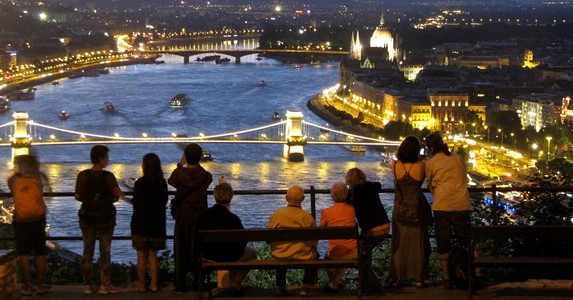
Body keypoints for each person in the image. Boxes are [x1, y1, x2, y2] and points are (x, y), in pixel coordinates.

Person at [424, 132, 471, 289]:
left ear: (430, 148)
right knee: (467, 241)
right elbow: (463, 177)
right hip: (462, 204)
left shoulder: (430, 163)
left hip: (442, 206)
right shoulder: (458, 158)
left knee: (443, 244)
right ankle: (476, 274)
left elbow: (430, 185)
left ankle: (447, 279)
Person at [74, 145, 123, 295]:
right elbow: (116, 196)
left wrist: (90, 201)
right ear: (101, 159)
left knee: (87, 251)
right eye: (107, 157)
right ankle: (104, 285)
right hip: (106, 220)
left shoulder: (82, 175)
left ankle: (87, 285)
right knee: (105, 252)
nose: (108, 159)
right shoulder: (109, 177)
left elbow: (77, 196)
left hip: (87, 219)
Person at [196, 182, 257, 297]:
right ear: (231, 197)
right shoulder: (233, 219)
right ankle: (236, 283)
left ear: (214, 196)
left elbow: (196, 237)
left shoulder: (203, 215)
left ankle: (230, 284)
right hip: (229, 256)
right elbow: (243, 240)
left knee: (237, 252)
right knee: (251, 253)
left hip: (208, 255)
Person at [168, 143, 213, 294]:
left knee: (181, 252)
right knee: (198, 252)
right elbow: (208, 179)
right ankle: (197, 284)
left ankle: (180, 285)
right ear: (200, 157)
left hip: (182, 218)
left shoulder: (179, 174)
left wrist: (181, 164)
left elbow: (171, 180)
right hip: (200, 218)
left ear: (185, 156)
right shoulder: (206, 176)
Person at [389, 136, 432, 288]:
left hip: (399, 210)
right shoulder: (421, 166)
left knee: (398, 245)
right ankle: (419, 279)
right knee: (418, 245)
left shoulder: (395, 166)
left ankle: (395, 278)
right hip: (416, 210)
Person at [122, 153, 168, 293]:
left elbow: (137, 203)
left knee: (141, 256)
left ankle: (142, 285)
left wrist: (122, 197)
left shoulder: (140, 183)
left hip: (140, 223)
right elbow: (164, 202)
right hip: (156, 223)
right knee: (153, 254)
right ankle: (154, 284)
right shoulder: (162, 182)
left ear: (145, 166)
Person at [8, 155, 50, 296]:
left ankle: (27, 286)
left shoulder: (13, 180)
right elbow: (43, 193)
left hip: (21, 220)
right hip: (38, 219)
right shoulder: (37, 180)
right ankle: (39, 285)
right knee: (41, 253)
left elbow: (13, 191)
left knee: (23, 254)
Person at [345, 167, 390, 294]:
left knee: (362, 259)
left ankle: (373, 286)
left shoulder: (352, 194)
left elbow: (343, 200)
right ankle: (366, 286)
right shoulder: (371, 186)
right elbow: (378, 185)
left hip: (371, 230)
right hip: (385, 226)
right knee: (365, 255)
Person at [268, 185, 318, 297]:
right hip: (303, 255)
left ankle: (281, 287)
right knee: (315, 253)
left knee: (281, 250)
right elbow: (314, 240)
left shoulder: (277, 215)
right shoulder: (308, 217)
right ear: (303, 199)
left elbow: (269, 237)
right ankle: (306, 287)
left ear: (286, 198)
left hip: (281, 253)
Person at [319, 181, 357, 293]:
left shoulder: (327, 212)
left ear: (332, 195)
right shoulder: (351, 209)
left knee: (329, 259)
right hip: (354, 251)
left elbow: (321, 230)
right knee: (344, 257)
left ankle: (333, 284)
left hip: (335, 253)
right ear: (347, 194)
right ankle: (334, 284)